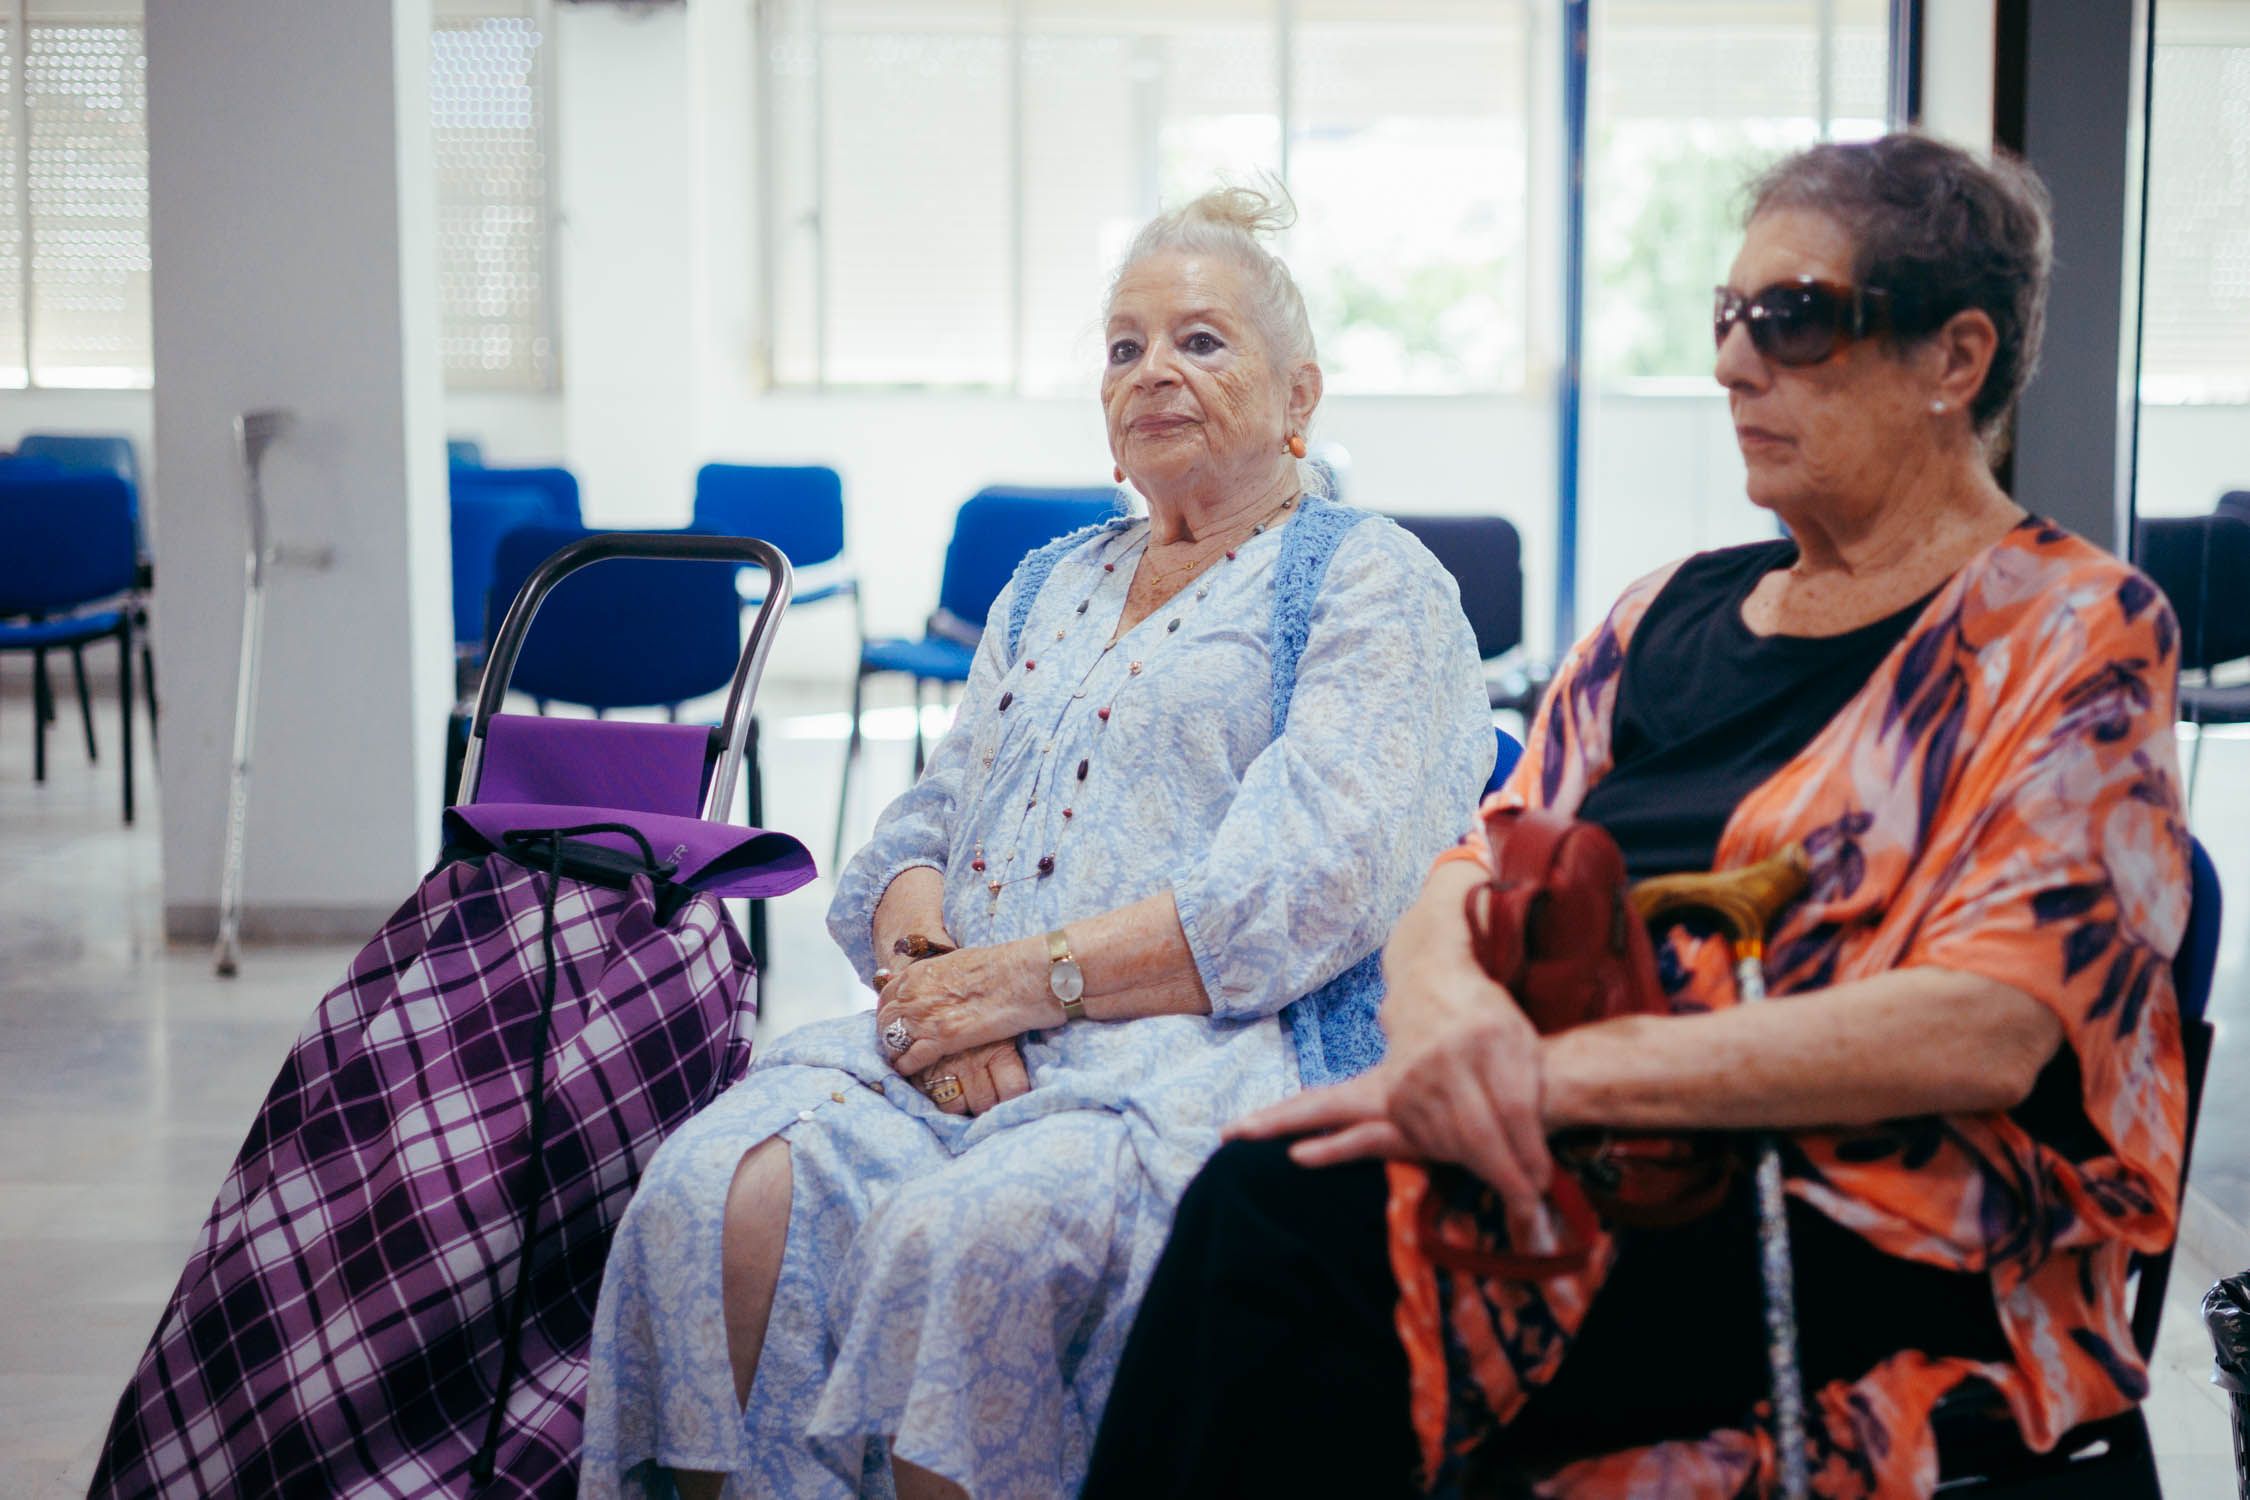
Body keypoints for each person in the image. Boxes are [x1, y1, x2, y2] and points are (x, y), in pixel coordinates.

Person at [1085, 134, 2191, 1499]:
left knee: (1292, 1237)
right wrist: (1451, 1022)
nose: (1733, 362)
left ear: (1954, 358)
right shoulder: (1661, 613)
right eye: (1729, 316)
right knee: (1270, 1187)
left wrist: (1548, 1081)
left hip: (1875, 1212)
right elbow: (1470, 867)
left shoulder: (2072, 629)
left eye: (1792, 318)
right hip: (1594, 1159)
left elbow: (1982, 1027)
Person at [578, 186, 1495, 1500]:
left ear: (1300, 395)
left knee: (971, 1241)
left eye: (1200, 340)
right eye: (1124, 346)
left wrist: (1012, 987)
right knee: (706, 1195)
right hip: (957, 1030)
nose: (1152, 370)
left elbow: (1304, 885)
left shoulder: (1369, 579)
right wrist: (931, 989)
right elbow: (921, 825)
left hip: (1197, 1047)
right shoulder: (1050, 579)